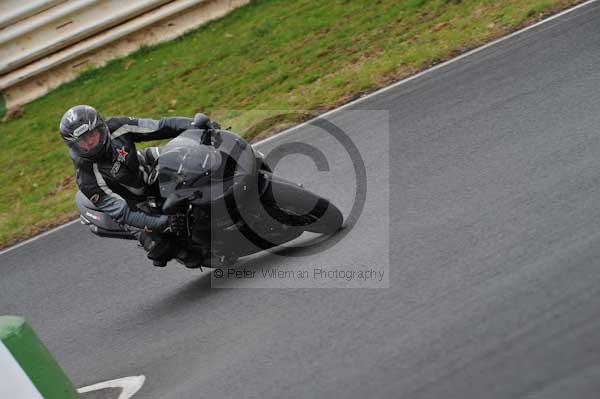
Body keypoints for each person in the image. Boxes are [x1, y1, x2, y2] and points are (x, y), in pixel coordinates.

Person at [59, 104, 216, 266]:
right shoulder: (87, 178)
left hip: (148, 165)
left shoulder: (118, 126)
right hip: (133, 204)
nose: (90, 142)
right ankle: (187, 252)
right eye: (83, 141)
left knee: (197, 160)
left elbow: (161, 127)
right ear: (74, 146)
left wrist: (194, 126)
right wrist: (166, 222)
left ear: (101, 127)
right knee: (159, 246)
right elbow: (124, 213)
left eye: (92, 134)